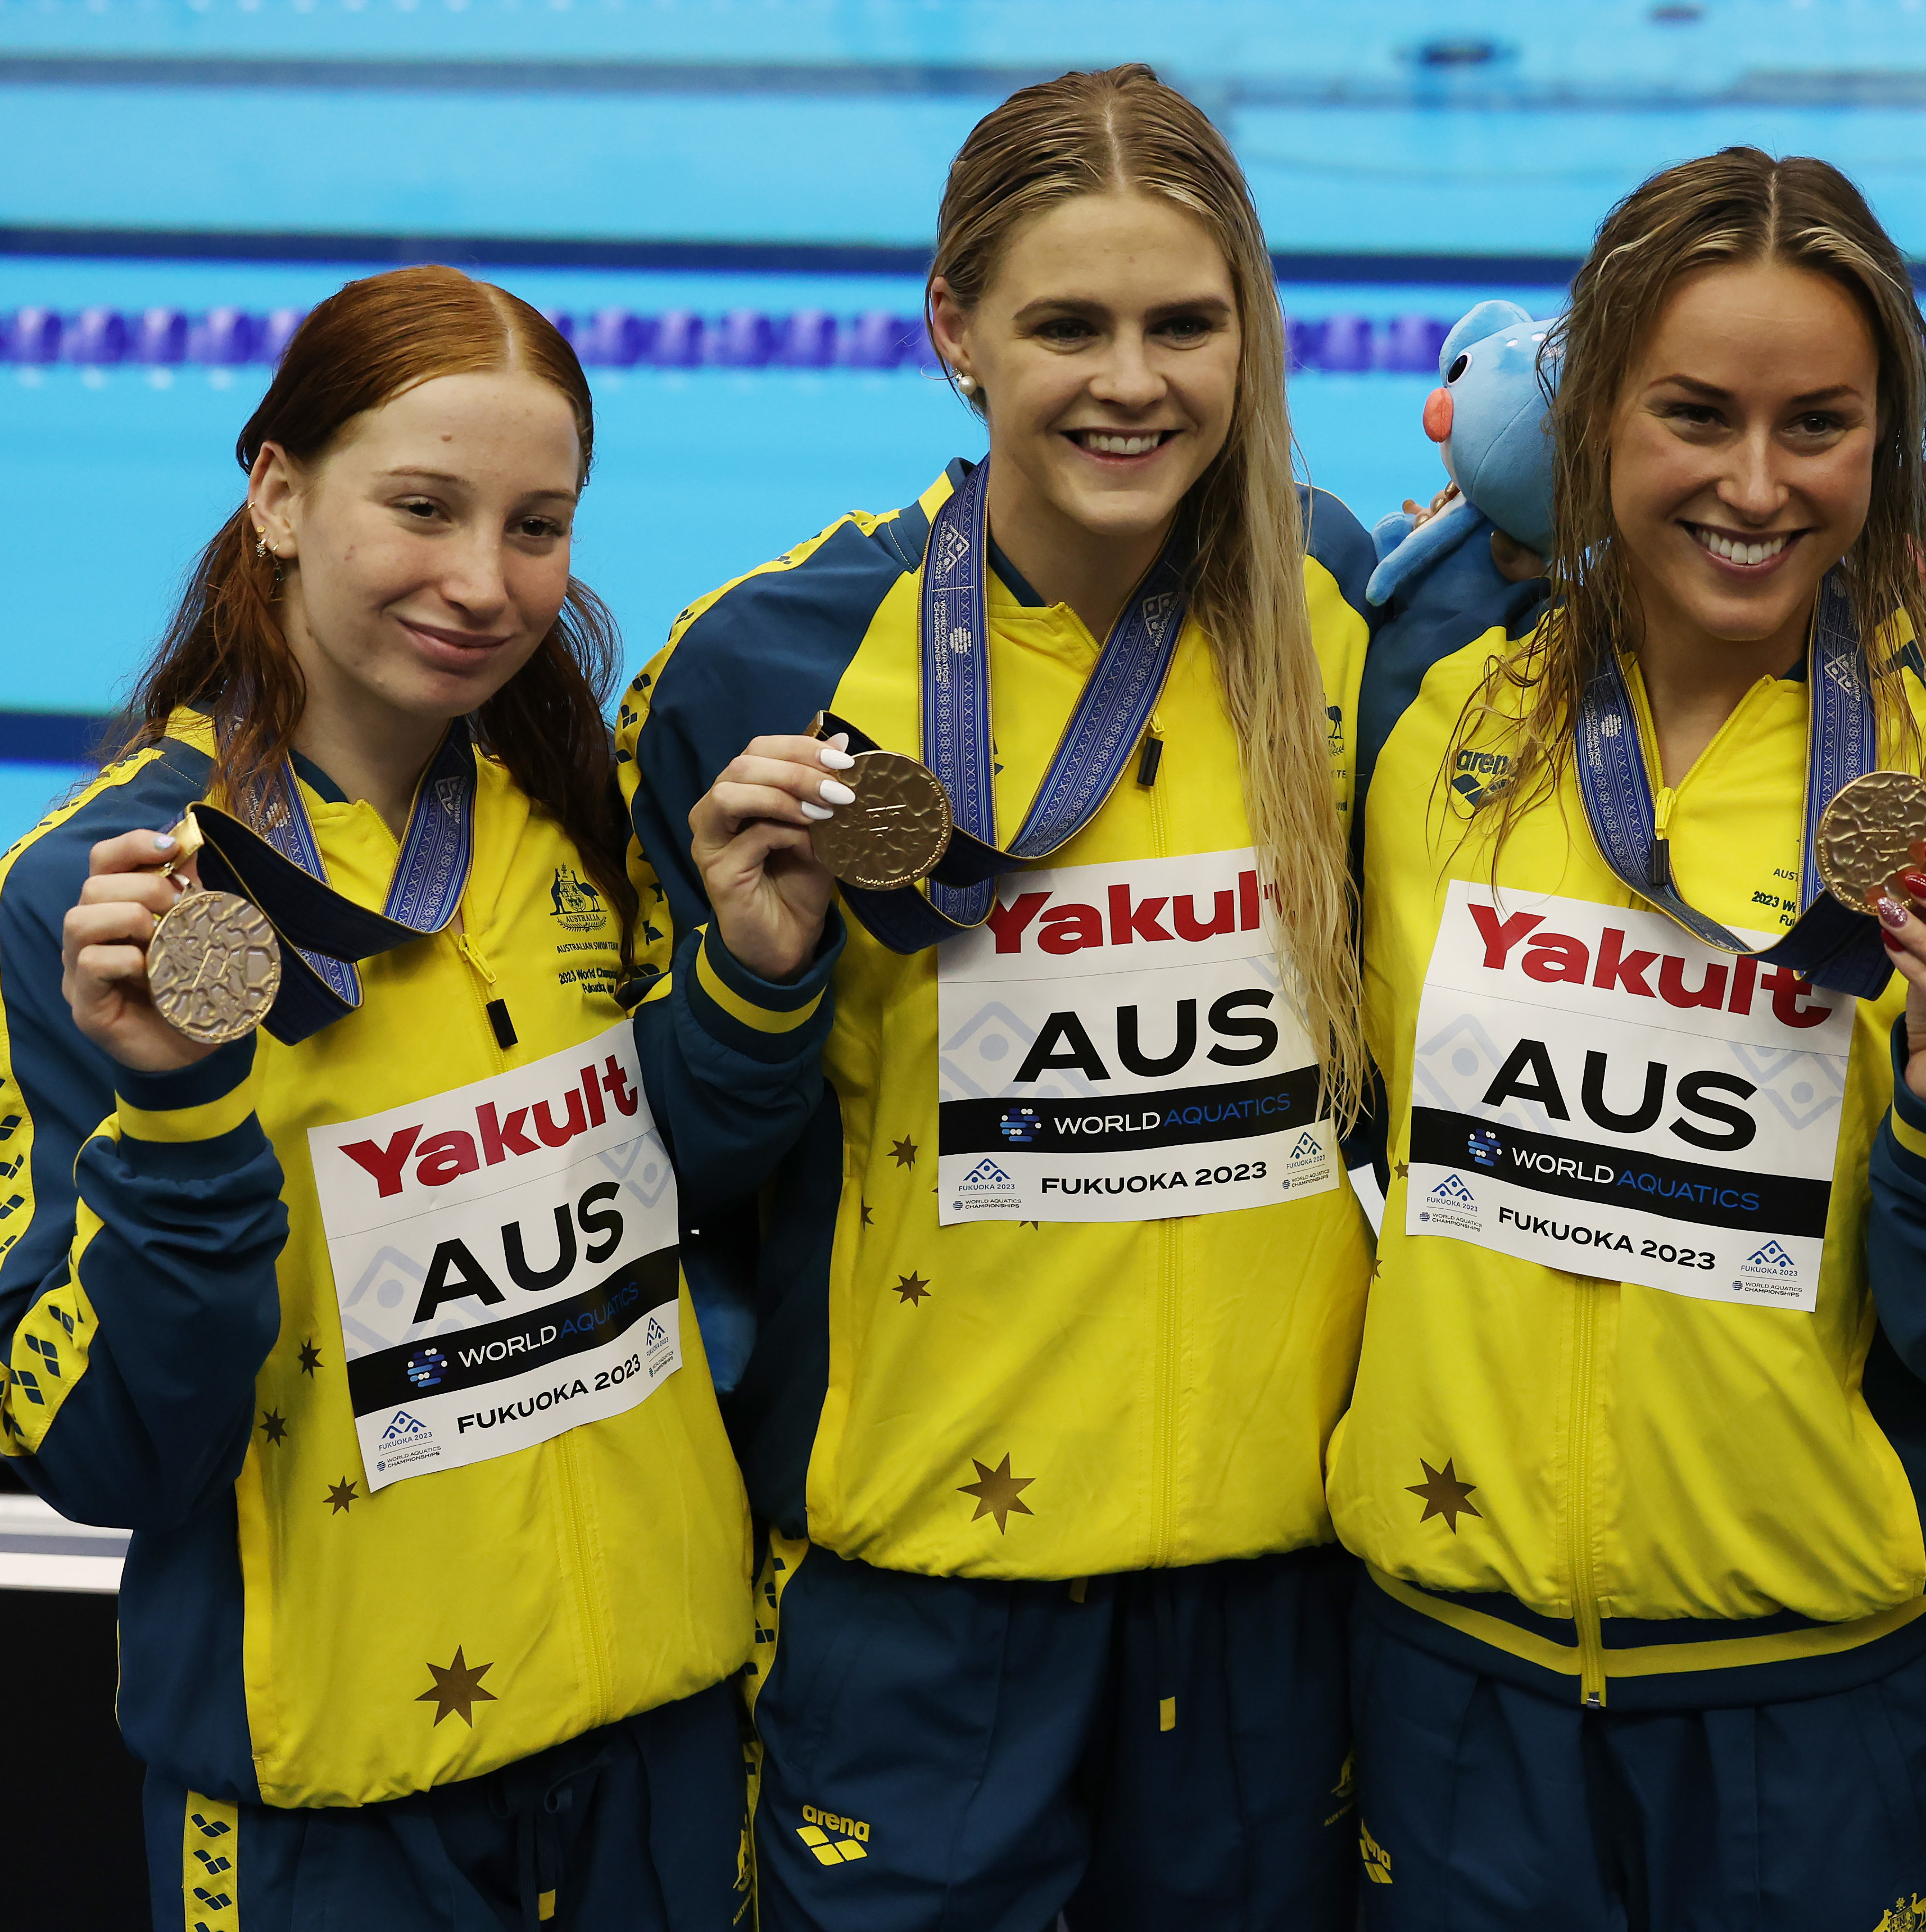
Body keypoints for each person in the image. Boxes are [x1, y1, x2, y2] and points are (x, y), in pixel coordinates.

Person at [616, 64, 1381, 1931]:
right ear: (957, 329)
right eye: (1070, 324)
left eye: (1185, 323)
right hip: (919, 1591)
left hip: (1273, 1582)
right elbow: (666, 1178)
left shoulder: (1337, 614)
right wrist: (756, 981)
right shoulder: (773, 664)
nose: (1134, 380)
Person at [1335, 147, 1926, 1930]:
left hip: (1811, 1707)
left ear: (1890, 447)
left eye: (1819, 425)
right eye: (1693, 414)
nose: (1755, 485)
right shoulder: (1426, 714)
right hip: (1452, 1678)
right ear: (1591, 414)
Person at [0, 265, 753, 1928]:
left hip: (669, 1744)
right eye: (422, 508)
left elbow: (692, 1203)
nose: (484, 583)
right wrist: (182, 1119)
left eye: (537, 526)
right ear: (276, 495)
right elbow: (104, 1449)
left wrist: (758, 982)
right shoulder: (98, 900)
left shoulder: (580, 818)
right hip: (334, 1795)